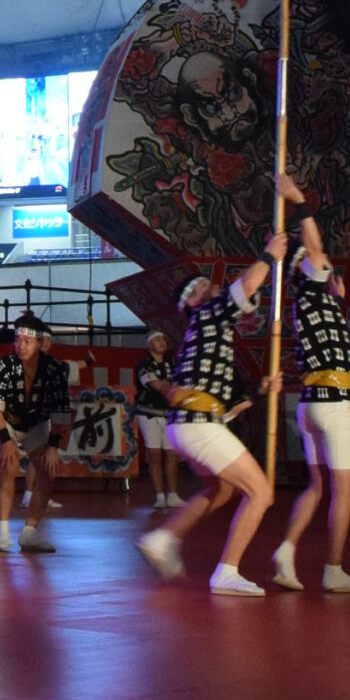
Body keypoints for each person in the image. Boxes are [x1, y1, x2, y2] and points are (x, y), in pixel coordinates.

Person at [136, 233, 288, 598]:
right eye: (199, 287)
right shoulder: (207, 315)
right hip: (198, 424)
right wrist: (269, 255)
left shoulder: (210, 332)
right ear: (191, 303)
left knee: (222, 489)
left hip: (192, 423)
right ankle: (227, 571)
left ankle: (163, 537)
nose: (208, 285)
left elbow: (224, 398)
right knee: (261, 492)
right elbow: (246, 286)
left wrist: (262, 390)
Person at [270, 176, 350, 595]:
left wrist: (337, 298)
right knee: (344, 490)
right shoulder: (311, 288)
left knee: (317, 486)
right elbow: (314, 247)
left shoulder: (312, 302)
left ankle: (287, 549)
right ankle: (333, 568)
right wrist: (299, 202)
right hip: (332, 406)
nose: (327, 261)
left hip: (310, 404)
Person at [0, 311, 71, 555]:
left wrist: (53, 447)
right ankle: (3, 530)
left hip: (36, 424)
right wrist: (5, 440)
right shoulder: (5, 365)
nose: (20, 346)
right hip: (6, 420)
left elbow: (61, 412)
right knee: (9, 465)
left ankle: (30, 532)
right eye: (17, 340)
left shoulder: (54, 370)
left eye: (27, 341)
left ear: (39, 343)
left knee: (47, 472)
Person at [135, 330, 176, 511]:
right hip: (148, 413)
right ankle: (160, 495)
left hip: (169, 414)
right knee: (154, 455)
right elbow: (157, 386)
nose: (162, 342)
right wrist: (170, 386)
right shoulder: (144, 364)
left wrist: (171, 386)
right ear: (149, 344)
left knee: (172, 455)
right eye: (157, 339)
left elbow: (181, 384)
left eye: (163, 339)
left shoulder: (172, 362)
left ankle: (173, 494)